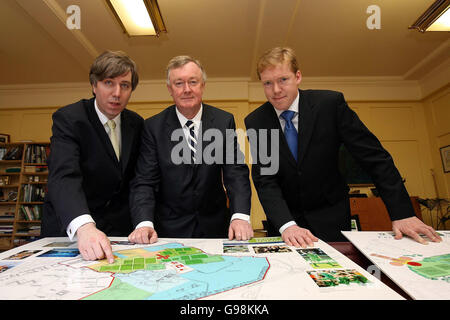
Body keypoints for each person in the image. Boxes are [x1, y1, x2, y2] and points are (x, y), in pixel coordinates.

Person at [244, 47, 442, 246]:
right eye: (268, 83)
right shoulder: (256, 121)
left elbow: (374, 158)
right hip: (285, 224)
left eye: (283, 80)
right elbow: (265, 180)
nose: (276, 90)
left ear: (298, 76)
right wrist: (287, 225)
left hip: (332, 218)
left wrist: (402, 213)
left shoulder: (329, 105)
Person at [128, 55, 252, 244]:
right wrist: (144, 223)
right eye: (179, 83)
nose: (187, 89)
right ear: (170, 89)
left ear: (202, 85)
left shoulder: (222, 121)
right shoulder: (153, 127)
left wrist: (240, 216)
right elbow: (145, 181)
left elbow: (235, 172)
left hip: (216, 229)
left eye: (193, 82)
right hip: (169, 231)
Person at [41, 50, 144, 263]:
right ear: (94, 85)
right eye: (108, 83)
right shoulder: (70, 119)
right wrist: (85, 227)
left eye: (124, 85)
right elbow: (64, 176)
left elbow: (138, 180)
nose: (117, 93)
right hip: (73, 230)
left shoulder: (137, 123)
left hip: (118, 235)